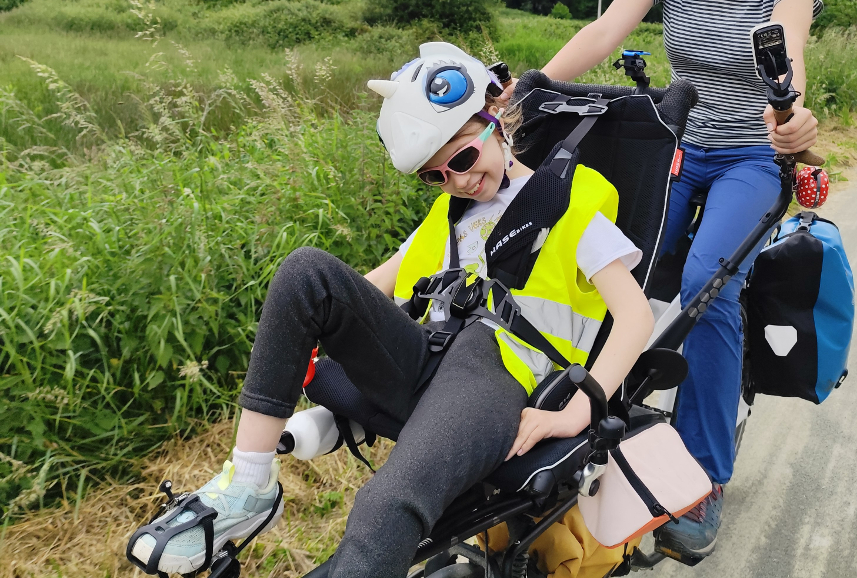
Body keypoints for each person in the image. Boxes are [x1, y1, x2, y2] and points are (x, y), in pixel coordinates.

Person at [126, 43, 654, 578]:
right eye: (436, 176)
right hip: (426, 360)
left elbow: (636, 318)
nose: (458, 181)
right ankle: (248, 485)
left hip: (498, 377)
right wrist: (296, 338)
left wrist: (578, 411)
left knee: (383, 507)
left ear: (495, 122)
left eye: (463, 158)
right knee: (306, 270)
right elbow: (372, 287)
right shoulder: (451, 214)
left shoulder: (570, 201)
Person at [512, 0, 822, 561]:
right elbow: (601, 33)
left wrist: (794, 119)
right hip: (678, 147)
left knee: (706, 291)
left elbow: (787, 47)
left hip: (750, 156)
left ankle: (705, 476)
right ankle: (580, 414)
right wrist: (525, 92)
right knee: (605, 266)